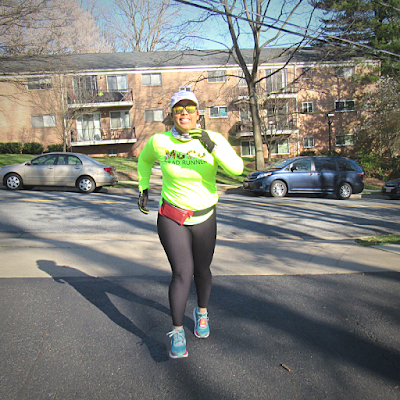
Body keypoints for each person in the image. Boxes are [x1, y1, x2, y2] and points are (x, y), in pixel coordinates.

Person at [137, 90, 243, 359]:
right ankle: (177, 330)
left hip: (205, 216)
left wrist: (212, 145)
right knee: (182, 273)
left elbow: (237, 169)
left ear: (198, 113)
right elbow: (144, 160)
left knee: (202, 270)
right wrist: (143, 186)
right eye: (178, 109)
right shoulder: (160, 141)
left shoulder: (213, 140)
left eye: (190, 108)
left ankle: (202, 313)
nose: (184, 113)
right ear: (172, 115)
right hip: (172, 216)